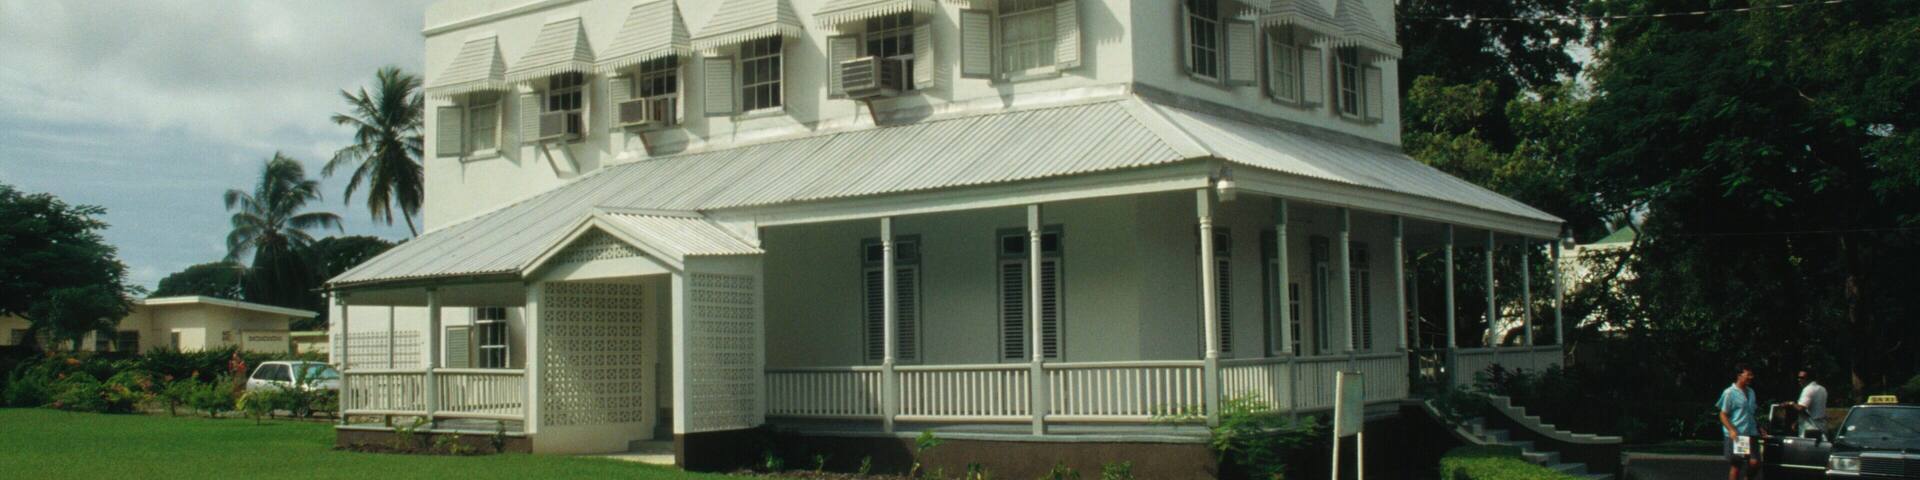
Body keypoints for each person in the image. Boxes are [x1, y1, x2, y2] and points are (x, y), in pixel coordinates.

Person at [1717, 363, 1765, 480]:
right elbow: (1723, 414)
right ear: (1739, 375)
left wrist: (1759, 427)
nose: (1751, 377)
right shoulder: (1730, 393)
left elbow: (1751, 413)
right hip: (1739, 435)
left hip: (1751, 433)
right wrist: (1732, 430)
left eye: (1752, 375)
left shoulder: (1751, 392)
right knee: (1737, 464)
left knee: (1755, 462)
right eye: (1748, 374)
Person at [1784, 368, 1828, 440]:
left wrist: (1790, 403)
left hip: (1810, 430)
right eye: (1798, 377)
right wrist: (1797, 422)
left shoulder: (1808, 389)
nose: (1799, 379)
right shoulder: (1822, 389)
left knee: (1807, 450)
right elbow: (1812, 410)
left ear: (1809, 378)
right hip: (1821, 426)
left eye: (1802, 378)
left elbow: (1801, 408)